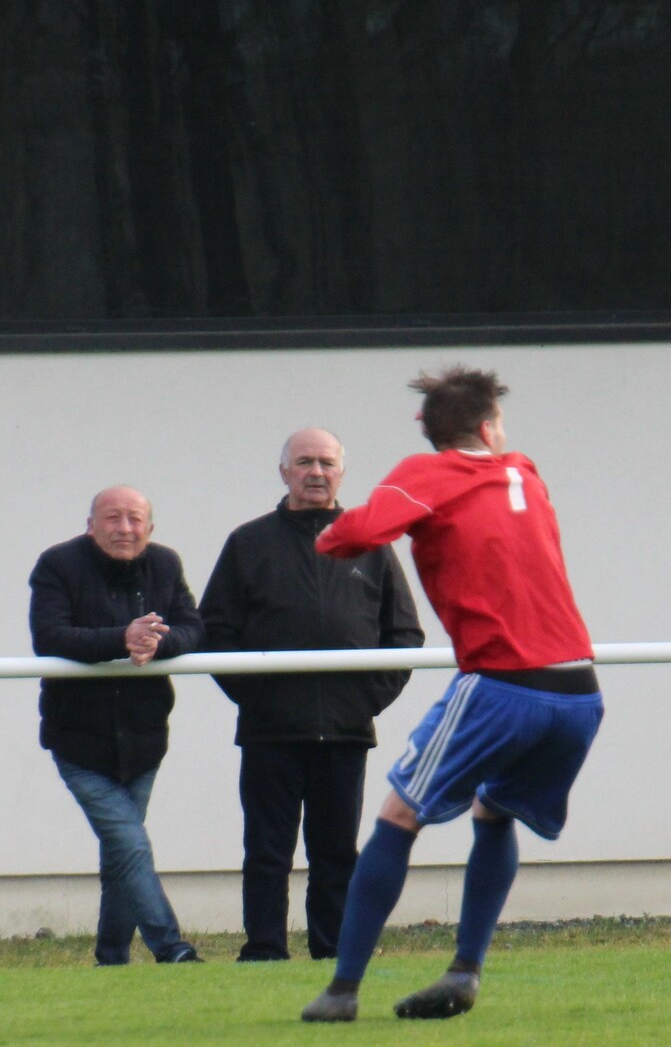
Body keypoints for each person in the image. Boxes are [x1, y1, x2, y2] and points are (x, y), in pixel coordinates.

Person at [300, 366, 603, 1023]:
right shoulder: (524, 469)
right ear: (490, 426)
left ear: (432, 431)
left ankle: (342, 990)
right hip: (580, 691)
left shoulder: (427, 474)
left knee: (398, 817)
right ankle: (465, 972)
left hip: (503, 683)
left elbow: (347, 537)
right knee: (493, 812)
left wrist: (337, 524)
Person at [201, 427, 424, 962]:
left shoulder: (370, 543)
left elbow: (405, 636)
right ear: (285, 472)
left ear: (341, 473)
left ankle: (332, 950)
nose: (316, 472)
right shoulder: (248, 543)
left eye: (326, 462)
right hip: (270, 730)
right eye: (304, 462)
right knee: (267, 852)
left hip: (345, 731)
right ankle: (264, 950)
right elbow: (217, 631)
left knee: (335, 853)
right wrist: (257, 698)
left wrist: (363, 701)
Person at [29, 486, 204, 965]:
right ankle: (173, 949)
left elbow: (193, 627)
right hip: (78, 741)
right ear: (91, 525)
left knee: (120, 856)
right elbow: (50, 636)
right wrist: (121, 639)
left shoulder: (165, 564)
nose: (124, 528)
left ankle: (110, 959)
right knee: (129, 844)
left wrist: (157, 646)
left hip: (146, 740)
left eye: (135, 519)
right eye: (112, 517)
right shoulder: (57, 565)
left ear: (150, 528)